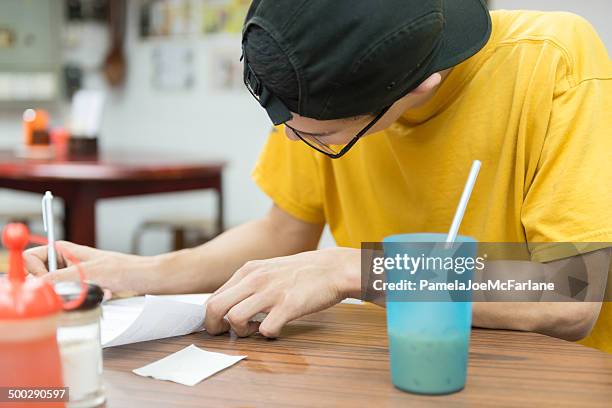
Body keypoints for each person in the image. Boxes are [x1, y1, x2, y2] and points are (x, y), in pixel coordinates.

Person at [26, 0, 612, 352]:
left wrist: (352, 268)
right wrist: (142, 273)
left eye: (320, 137)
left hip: (539, 377)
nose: (294, 141)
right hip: (378, 363)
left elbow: (573, 290)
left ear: (418, 87)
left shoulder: (553, 62)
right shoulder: (324, 78)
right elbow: (285, 232)